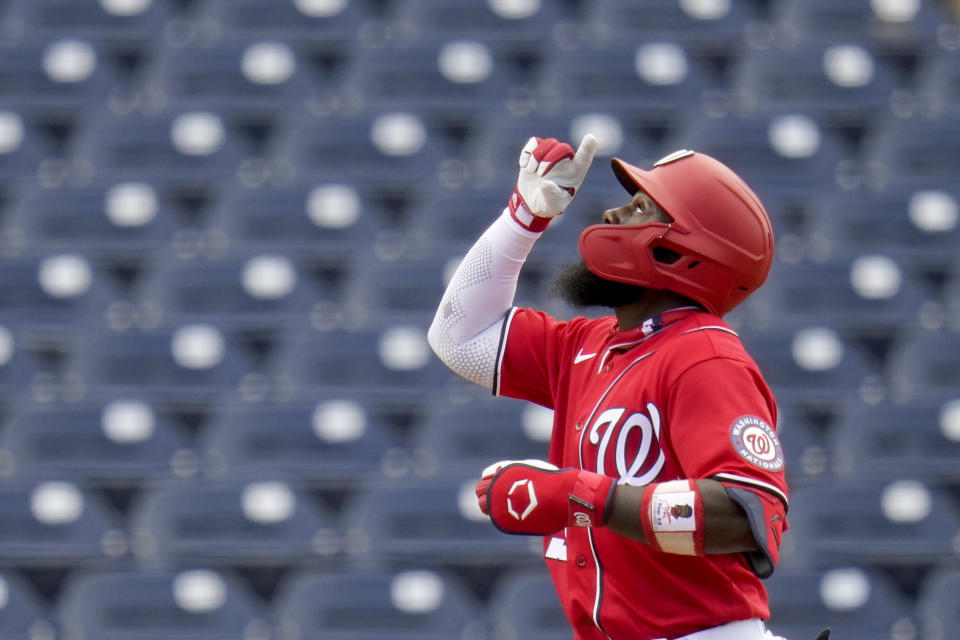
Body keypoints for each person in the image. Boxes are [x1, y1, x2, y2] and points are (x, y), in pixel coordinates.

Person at [427, 134, 818, 640]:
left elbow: (746, 513)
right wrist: (523, 218)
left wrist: (583, 496)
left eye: (639, 208)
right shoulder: (588, 345)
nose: (612, 216)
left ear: (682, 253)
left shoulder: (706, 357)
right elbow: (457, 336)